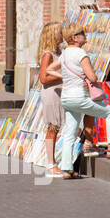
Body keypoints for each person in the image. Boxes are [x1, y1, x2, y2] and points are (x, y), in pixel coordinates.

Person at [55, 23, 110, 177]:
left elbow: (53, 69)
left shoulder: (64, 54)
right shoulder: (81, 54)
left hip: (67, 98)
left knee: (70, 133)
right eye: (82, 33)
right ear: (74, 37)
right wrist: (90, 77)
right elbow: (92, 77)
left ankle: (66, 168)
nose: (85, 35)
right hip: (80, 96)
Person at [36, 22, 65, 177]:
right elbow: (43, 78)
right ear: (53, 35)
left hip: (58, 92)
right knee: (52, 127)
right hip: (51, 93)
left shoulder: (59, 52)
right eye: (60, 32)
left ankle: (54, 162)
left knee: (56, 127)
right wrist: (63, 77)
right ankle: (51, 164)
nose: (62, 34)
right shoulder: (48, 54)